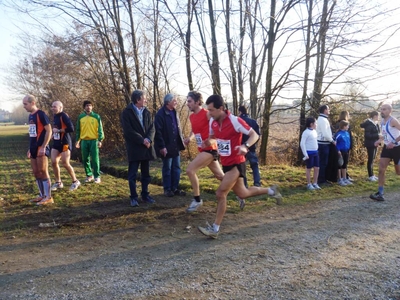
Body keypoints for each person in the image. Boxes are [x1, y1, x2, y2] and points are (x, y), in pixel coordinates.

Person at [197, 95, 282, 239]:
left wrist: (245, 146)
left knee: (220, 193)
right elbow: (213, 137)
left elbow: (254, 135)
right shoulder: (213, 121)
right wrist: (208, 141)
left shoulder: (235, 121)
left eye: (211, 110)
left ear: (221, 109)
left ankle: (215, 229)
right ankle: (271, 191)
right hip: (226, 164)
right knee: (243, 193)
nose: (209, 113)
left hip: (237, 163)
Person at [121, 90, 156, 207]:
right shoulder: (127, 112)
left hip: (146, 148)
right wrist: (142, 140)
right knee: (132, 174)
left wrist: (149, 139)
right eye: (144, 98)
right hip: (135, 147)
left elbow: (152, 128)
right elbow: (128, 131)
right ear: (137, 100)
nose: (146, 100)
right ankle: (133, 197)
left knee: (146, 174)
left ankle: (145, 195)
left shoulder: (147, 112)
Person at [23, 95, 53, 205]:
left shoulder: (41, 114)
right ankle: (42, 195)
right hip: (33, 148)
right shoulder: (30, 116)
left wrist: (44, 146)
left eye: (25, 104)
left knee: (43, 172)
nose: (24, 106)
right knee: (36, 172)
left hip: (41, 147)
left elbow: (49, 131)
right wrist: (30, 149)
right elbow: (32, 134)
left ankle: (49, 197)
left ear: (33, 103)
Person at [154, 93, 186, 197]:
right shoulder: (160, 114)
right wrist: (162, 147)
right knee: (167, 168)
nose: (176, 102)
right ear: (168, 102)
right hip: (166, 146)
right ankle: (167, 189)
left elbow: (177, 128)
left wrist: (182, 140)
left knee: (176, 167)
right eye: (174, 100)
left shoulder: (175, 112)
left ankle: (175, 188)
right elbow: (157, 132)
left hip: (175, 145)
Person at [370, 104, 400, 201]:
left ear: (390, 111)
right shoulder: (382, 122)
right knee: (381, 170)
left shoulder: (393, 121)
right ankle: (380, 193)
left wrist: (394, 142)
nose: (382, 111)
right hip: (387, 148)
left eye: (384, 109)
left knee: (398, 172)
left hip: (397, 148)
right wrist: (379, 141)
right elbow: (385, 135)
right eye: (381, 109)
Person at [50, 101, 81, 192]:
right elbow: (56, 129)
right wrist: (53, 135)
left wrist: (59, 131)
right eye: (52, 106)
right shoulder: (55, 116)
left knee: (65, 163)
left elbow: (71, 128)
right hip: (56, 143)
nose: (53, 108)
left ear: (60, 107)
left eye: (55, 106)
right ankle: (58, 182)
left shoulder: (64, 116)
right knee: (53, 162)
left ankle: (75, 181)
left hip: (65, 143)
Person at [75, 100, 104, 184]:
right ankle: (89, 175)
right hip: (84, 141)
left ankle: (97, 176)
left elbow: (100, 129)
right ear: (84, 107)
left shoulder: (96, 116)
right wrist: (77, 141)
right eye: (87, 105)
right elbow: (78, 130)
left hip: (94, 140)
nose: (89, 107)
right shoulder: (80, 117)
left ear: (92, 107)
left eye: (90, 105)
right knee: (85, 159)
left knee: (95, 159)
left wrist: (100, 140)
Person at [238, 105, 261, 187]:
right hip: (251, 148)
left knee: (242, 167)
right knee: (255, 165)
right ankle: (257, 183)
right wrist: (252, 144)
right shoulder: (254, 122)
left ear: (240, 111)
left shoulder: (238, 121)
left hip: (241, 148)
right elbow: (257, 136)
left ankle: (244, 185)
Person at [300, 117, 321, 190]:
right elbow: (302, 144)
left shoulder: (314, 131)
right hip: (309, 153)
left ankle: (315, 183)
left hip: (316, 152)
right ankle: (309, 184)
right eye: (315, 123)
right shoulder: (306, 132)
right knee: (309, 168)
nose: (316, 124)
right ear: (311, 124)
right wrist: (305, 154)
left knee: (317, 168)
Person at [316, 104, 336, 184]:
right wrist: (332, 140)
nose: (329, 111)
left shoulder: (322, 119)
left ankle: (323, 178)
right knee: (323, 162)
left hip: (323, 143)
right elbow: (325, 133)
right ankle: (321, 180)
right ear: (325, 110)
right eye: (328, 109)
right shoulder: (323, 120)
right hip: (323, 144)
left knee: (323, 162)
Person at [360, 111, 380, 181]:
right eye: (378, 116)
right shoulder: (369, 124)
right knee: (370, 159)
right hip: (370, 144)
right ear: (374, 116)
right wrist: (377, 135)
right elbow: (367, 135)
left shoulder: (376, 124)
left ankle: (372, 174)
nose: (378, 117)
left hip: (375, 143)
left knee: (373, 159)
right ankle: (370, 175)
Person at [335, 120, 352, 186]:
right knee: (339, 165)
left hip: (346, 151)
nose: (348, 127)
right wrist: (338, 150)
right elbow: (335, 143)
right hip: (340, 151)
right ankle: (339, 179)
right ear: (344, 126)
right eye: (347, 126)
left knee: (344, 165)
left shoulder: (347, 133)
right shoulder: (339, 134)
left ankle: (345, 178)